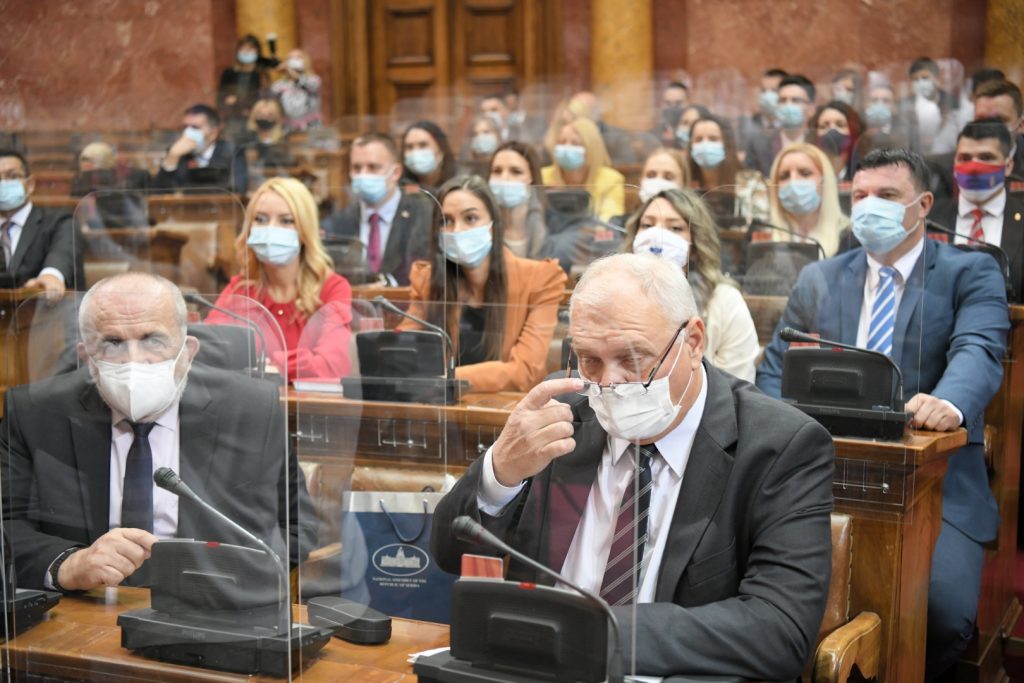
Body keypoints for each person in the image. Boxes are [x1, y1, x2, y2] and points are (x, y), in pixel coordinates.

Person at [430, 252, 834, 679]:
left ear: (693, 342)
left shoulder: (780, 446)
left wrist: (591, 631)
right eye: (589, 360)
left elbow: (780, 629)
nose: (609, 383)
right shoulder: (562, 420)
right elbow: (450, 555)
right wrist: (500, 472)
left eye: (634, 360)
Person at [756, 148, 1009, 679]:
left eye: (887, 196)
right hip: (819, 473)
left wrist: (950, 401)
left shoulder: (970, 271)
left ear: (922, 205)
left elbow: (979, 351)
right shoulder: (820, 278)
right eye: (860, 196)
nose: (870, 206)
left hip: (934, 479)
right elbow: (776, 371)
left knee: (937, 617)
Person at [1, 271, 318, 591]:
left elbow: (297, 528)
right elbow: (7, 527)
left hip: (209, 612)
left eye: (152, 339)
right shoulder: (34, 413)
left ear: (189, 351)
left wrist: (224, 578)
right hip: (85, 609)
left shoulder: (251, 409)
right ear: (87, 358)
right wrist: (67, 564)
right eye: (112, 343)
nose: (134, 360)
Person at [401, 175, 566, 392]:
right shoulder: (428, 280)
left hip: (506, 413)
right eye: (446, 221)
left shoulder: (539, 279)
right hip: (440, 412)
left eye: (470, 218)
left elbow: (526, 372)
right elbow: (402, 352)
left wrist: (445, 378)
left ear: (493, 226)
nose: (457, 230)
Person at [207, 177, 352, 382]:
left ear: (305, 231)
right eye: (260, 219)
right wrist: (291, 365)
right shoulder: (239, 289)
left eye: (286, 220)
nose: (271, 229)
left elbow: (331, 365)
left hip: (308, 411)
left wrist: (265, 365)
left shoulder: (332, 288)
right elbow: (210, 354)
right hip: (251, 407)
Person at [625, 188, 758, 381]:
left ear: (695, 244)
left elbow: (735, 389)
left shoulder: (725, 301)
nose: (657, 235)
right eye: (647, 225)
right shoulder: (615, 296)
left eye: (675, 228)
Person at [929, 119, 1024, 302]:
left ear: (1008, 166)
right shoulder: (929, 219)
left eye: (986, 158)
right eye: (965, 158)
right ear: (954, 166)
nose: (973, 167)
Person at [321, 132, 431, 286]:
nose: (363, 175)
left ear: (396, 172)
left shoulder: (424, 215)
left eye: (373, 167)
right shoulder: (337, 223)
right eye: (357, 168)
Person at [0, 149, 84, 292]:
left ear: (30, 184)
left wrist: (50, 276)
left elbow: (62, 254)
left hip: (42, 310)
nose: (4, 184)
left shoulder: (60, 221)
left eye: (13, 176)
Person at [766, 143, 848, 257]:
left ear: (825, 181)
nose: (793, 181)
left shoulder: (849, 238)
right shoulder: (763, 236)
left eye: (805, 173)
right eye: (784, 176)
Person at [688, 114, 768, 226]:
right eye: (698, 139)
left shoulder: (752, 184)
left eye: (713, 139)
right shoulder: (684, 182)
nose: (705, 144)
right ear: (690, 145)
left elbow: (760, 227)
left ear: (726, 144)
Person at [151, 104, 247, 195]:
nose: (187, 132)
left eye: (195, 127)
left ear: (213, 134)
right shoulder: (177, 152)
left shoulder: (232, 152)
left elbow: (238, 190)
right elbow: (158, 194)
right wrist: (172, 158)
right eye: (185, 127)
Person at [542, 117, 625, 222]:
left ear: (592, 149)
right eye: (562, 142)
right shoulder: (543, 177)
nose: (567, 148)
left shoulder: (611, 180)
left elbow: (610, 221)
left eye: (575, 143)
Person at [488, 140, 550, 259]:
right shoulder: (480, 226)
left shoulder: (551, 223)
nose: (504, 178)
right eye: (497, 171)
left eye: (516, 172)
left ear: (531, 178)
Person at [744, 74, 816, 176]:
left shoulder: (820, 142)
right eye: (783, 100)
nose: (788, 106)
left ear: (811, 109)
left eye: (795, 100)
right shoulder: (758, 144)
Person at [217, 34, 275, 140]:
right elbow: (221, 98)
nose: (246, 51)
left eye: (250, 48)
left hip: (256, 120)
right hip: (232, 120)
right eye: (243, 48)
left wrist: (237, 100)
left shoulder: (261, 74)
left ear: (257, 51)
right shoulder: (229, 73)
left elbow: (263, 98)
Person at [973, 79, 1024, 180]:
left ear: (1021, 126)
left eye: (1000, 120)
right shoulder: (950, 167)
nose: (989, 127)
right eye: (982, 120)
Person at [269, 48, 322, 132]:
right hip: (287, 129)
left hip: (311, 128)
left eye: (298, 57)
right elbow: (270, 98)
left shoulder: (314, 80)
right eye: (291, 58)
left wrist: (288, 70)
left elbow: (305, 84)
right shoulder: (279, 84)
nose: (294, 60)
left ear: (305, 61)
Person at [400, 120, 457, 195]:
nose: (415, 152)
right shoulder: (401, 187)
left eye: (423, 145)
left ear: (441, 149)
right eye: (409, 147)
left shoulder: (457, 184)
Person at [810, 101, 863, 181]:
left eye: (840, 125)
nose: (832, 130)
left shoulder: (863, 171)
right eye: (824, 126)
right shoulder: (809, 172)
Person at [654, 81, 690, 149]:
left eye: (678, 103)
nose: (673, 108)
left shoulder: (693, 133)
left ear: (688, 103)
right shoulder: (654, 136)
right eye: (668, 103)